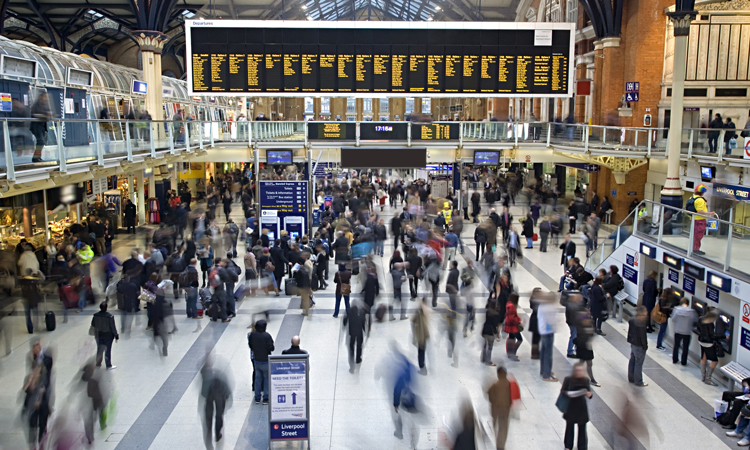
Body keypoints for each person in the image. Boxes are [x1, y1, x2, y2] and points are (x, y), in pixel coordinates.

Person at [200, 355, 232, 447]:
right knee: (219, 416)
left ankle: (209, 439)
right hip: (220, 398)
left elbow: (203, 392)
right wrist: (227, 399)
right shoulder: (222, 378)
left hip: (210, 397)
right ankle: (217, 434)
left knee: (208, 419)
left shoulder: (207, 378)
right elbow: (227, 391)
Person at [560, 363, 593, 450]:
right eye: (578, 370)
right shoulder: (568, 380)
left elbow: (589, 393)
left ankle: (582, 447)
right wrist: (569, 393)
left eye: (581, 371)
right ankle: (568, 445)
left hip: (581, 408)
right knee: (569, 427)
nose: (579, 372)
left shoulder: (585, 380)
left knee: (582, 428)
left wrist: (588, 394)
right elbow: (563, 391)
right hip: (571, 407)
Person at [248, 320, 274, 405]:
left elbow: (250, 345)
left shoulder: (252, 335)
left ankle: (257, 397)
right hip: (265, 360)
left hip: (256, 360)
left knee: (257, 379)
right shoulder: (267, 336)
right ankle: (265, 398)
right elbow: (271, 348)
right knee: (266, 378)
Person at [686, 184, 715, 255]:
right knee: (698, 235)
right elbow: (700, 211)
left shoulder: (692, 198)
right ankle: (695, 250)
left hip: (693, 219)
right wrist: (709, 213)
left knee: (695, 235)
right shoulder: (700, 200)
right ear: (702, 193)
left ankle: (694, 248)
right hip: (699, 220)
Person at [487, 366, 512, 450]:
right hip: (505, 411)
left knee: (497, 427)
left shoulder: (495, 385)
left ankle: (498, 443)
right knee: (503, 428)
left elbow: (489, 395)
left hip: (496, 410)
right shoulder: (508, 383)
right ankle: (501, 445)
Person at [91, 302, 119, 369]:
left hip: (98, 335)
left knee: (99, 349)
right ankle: (108, 365)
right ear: (106, 308)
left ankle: (98, 363)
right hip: (108, 336)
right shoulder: (110, 316)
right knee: (108, 350)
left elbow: (93, 325)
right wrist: (116, 335)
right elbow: (112, 327)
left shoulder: (95, 315)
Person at [699, 309, 723, 386]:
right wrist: (724, 336)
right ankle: (708, 379)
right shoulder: (710, 324)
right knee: (715, 361)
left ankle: (703, 376)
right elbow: (712, 336)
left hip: (701, 340)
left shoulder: (701, 318)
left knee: (703, 357)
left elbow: (698, 328)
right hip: (708, 343)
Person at [538, 295, 559, 382]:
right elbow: (551, 320)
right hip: (548, 331)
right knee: (548, 353)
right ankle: (546, 374)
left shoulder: (542, 305)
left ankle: (543, 370)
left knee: (543, 351)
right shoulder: (548, 307)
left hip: (543, 330)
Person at [627, 306, 649, 387]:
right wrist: (645, 346)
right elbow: (643, 337)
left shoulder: (632, 319)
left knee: (632, 360)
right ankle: (638, 381)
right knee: (639, 363)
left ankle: (631, 378)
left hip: (633, 343)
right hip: (639, 345)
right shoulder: (641, 323)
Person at [671, 298, 696, 366]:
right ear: (688, 303)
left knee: (676, 346)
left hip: (678, 330)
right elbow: (694, 321)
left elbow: (673, 319)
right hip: (687, 332)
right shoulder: (692, 312)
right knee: (685, 348)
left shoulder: (676, 310)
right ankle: (683, 362)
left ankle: (675, 359)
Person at [30, 92, 52, 163]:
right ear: (41, 97)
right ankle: (36, 158)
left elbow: (48, 116)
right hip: (36, 126)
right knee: (41, 141)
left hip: (42, 126)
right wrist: (45, 114)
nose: (46, 99)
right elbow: (36, 113)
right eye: (45, 97)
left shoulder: (45, 105)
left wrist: (46, 115)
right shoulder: (36, 105)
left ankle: (37, 157)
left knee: (41, 142)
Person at [345, 300, 366, 373]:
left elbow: (345, 321)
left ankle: (352, 364)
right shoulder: (361, 312)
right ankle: (358, 358)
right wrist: (364, 329)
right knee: (359, 346)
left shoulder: (349, 311)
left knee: (351, 347)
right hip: (359, 332)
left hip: (352, 333)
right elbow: (363, 322)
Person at [411, 298, 430, 374]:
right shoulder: (424, 311)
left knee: (421, 352)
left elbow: (413, 320)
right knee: (422, 351)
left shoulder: (418, 311)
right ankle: (423, 367)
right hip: (424, 334)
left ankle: (422, 368)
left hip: (421, 334)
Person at [481, 300, 501, 367]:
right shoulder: (496, 314)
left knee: (484, 345)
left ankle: (483, 358)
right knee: (490, 347)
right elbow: (495, 325)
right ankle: (488, 360)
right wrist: (497, 334)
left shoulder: (488, 311)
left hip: (485, 329)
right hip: (490, 332)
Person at [504, 293, 523, 362]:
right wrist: (518, 321)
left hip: (509, 325)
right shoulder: (512, 306)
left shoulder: (508, 304)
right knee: (520, 339)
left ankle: (509, 352)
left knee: (511, 338)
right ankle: (512, 353)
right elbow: (512, 318)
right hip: (513, 326)